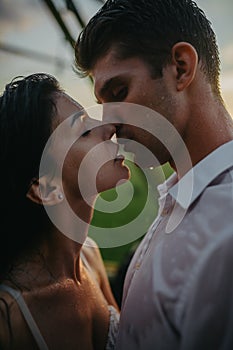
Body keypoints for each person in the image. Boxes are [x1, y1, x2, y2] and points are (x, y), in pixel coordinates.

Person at [74, 0, 233, 349]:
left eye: (119, 93)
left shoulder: (224, 235)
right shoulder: (181, 197)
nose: (110, 123)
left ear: (180, 67)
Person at [0, 73, 130, 349]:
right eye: (83, 132)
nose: (110, 126)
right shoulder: (10, 321)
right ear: (46, 188)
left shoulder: (90, 259)